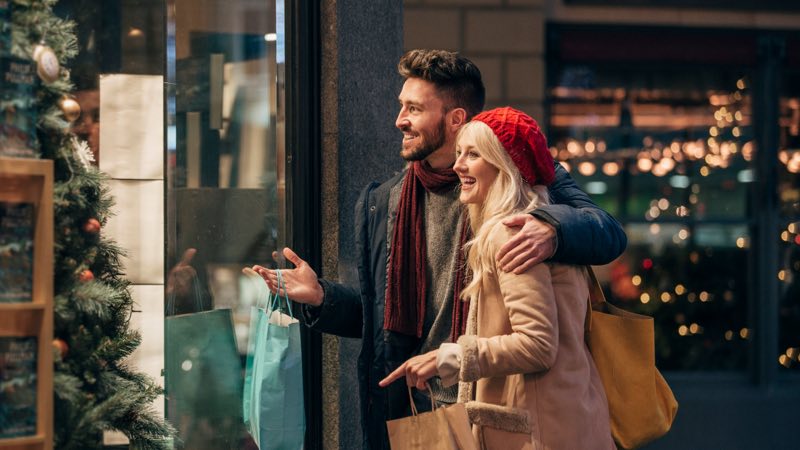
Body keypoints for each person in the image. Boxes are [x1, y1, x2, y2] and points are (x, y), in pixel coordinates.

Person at [253, 49, 626, 449]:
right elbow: (383, 316)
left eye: (414, 108)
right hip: (418, 407)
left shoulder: (522, 183)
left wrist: (551, 229)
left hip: (495, 407)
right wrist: (322, 297)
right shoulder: (386, 201)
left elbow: (608, 233)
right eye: (401, 106)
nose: (400, 120)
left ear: (455, 119)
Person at [380, 107, 615, 449]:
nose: (459, 165)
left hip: (539, 434)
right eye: (459, 153)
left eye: (473, 155)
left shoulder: (512, 232)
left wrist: (446, 357)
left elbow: (537, 345)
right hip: (566, 420)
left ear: (505, 165)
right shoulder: (540, 226)